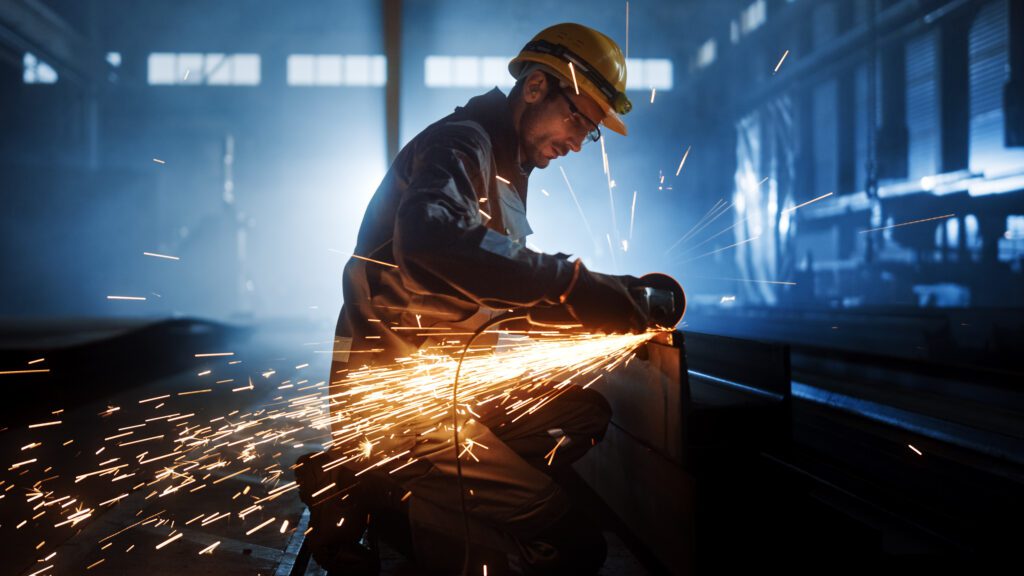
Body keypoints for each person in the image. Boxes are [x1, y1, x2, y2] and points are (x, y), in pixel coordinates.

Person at [296, 22, 650, 575]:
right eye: (578, 118)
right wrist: (571, 284)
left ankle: (389, 493)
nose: (579, 142)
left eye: (592, 131)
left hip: (453, 385)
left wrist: (592, 307)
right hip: (408, 410)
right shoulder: (462, 143)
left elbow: (489, 281)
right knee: (576, 543)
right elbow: (433, 242)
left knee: (583, 414)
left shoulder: (506, 164)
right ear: (536, 88)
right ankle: (384, 491)